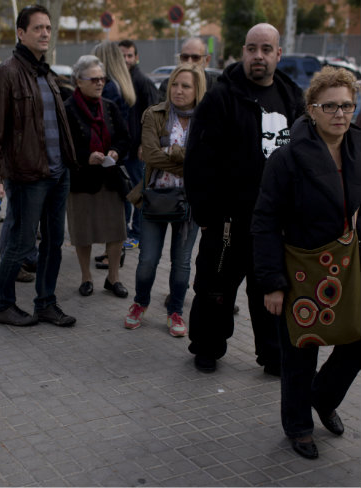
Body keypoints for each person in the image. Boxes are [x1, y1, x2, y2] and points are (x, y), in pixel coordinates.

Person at [252, 67, 361, 460]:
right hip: (300, 268)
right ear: (311, 110)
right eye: (329, 105)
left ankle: (324, 396)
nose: (340, 113)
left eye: (347, 105)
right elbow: (264, 221)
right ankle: (298, 426)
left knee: (357, 338)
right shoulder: (286, 158)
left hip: (349, 267)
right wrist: (272, 282)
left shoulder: (358, 148)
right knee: (300, 351)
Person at [183, 23, 304, 374]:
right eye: (252, 48)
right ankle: (207, 346)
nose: (258, 56)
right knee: (215, 288)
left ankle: (273, 354)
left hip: (275, 224)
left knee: (272, 291)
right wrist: (205, 213)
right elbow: (198, 158)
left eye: (266, 49)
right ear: (243, 51)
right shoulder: (222, 97)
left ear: (278, 54)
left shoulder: (291, 97)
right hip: (228, 220)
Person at [0, 4, 78, 327]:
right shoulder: (7, 72)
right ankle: (2, 304)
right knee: (22, 244)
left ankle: (46, 303)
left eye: (48, 28)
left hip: (57, 173)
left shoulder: (47, 74)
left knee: (54, 242)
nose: (45, 33)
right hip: (27, 176)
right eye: (38, 28)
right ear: (21, 33)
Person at [124, 64, 205, 336]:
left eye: (186, 86)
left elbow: (207, 163)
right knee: (147, 260)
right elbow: (150, 155)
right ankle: (140, 303)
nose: (178, 90)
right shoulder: (154, 114)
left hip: (189, 202)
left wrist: (171, 152)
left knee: (182, 263)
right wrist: (187, 159)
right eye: (175, 84)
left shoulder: (206, 119)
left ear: (197, 90)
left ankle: (176, 311)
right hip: (155, 196)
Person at [64, 55, 130, 298]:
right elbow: (64, 145)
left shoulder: (110, 107)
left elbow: (125, 137)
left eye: (102, 78)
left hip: (110, 179)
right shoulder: (68, 109)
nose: (100, 83)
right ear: (79, 82)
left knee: (116, 231)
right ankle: (86, 277)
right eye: (93, 79)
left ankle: (113, 278)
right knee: (83, 232)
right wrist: (85, 156)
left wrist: (116, 151)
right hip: (82, 181)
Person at [91, 41, 136, 266]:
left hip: (112, 153)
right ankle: (113, 252)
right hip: (119, 153)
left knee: (114, 209)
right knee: (118, 205)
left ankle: (114, 254)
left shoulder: (109, 87)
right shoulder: (121, 82)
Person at [118, 39, 159, 250]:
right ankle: (123, 232)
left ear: (136, 57)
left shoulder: (141, 80)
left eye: (129, 55)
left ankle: (137, 233)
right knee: (125, 192)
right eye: (122, 55)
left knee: (139, 192)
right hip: (123, 150)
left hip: (137, 151)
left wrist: (145, 144)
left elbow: (154, 115)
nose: (126, 59)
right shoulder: (118, 79)